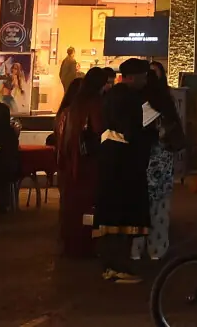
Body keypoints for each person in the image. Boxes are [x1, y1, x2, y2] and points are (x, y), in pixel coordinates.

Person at [93, 59, 154, 283]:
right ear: (131, 77)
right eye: (143, 76)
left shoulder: (110, 95)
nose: (145, 81)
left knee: (110, 212)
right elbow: (132, 132)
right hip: (124, 161)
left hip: (109, 157)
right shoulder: (129, 98)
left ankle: (110, 265)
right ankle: (119, 267)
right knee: (123, 213)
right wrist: (151, 135)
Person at [56, 65, 112, 257]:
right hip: (89, 164)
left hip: (73, 164)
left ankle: (72, 243)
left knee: (74, 206)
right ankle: (86, 244)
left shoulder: (72, 107)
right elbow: (99, 132)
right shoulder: (95, 104)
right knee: (88, 205)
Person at [132, 64, 186, 263]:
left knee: (139, 206)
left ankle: (136, 248)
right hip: (162, 159)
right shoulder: (165, 101)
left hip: (142, 159)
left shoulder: (137, 100)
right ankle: (157, 248)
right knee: (160, 206)